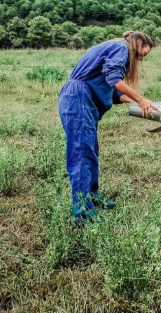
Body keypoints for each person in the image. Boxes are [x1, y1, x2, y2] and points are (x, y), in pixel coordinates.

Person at [58, 30, 155, 225]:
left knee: (91, 153)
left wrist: (137, 104)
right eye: (143, 53)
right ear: (137, 43)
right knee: (81, 155)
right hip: (78, 100)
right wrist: (140, 98)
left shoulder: (115, 48)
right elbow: (113, 80)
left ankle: (92, 198)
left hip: (83, 101)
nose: (142, 59)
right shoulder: (121, 47)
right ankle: (83, 213)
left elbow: (111, 92)